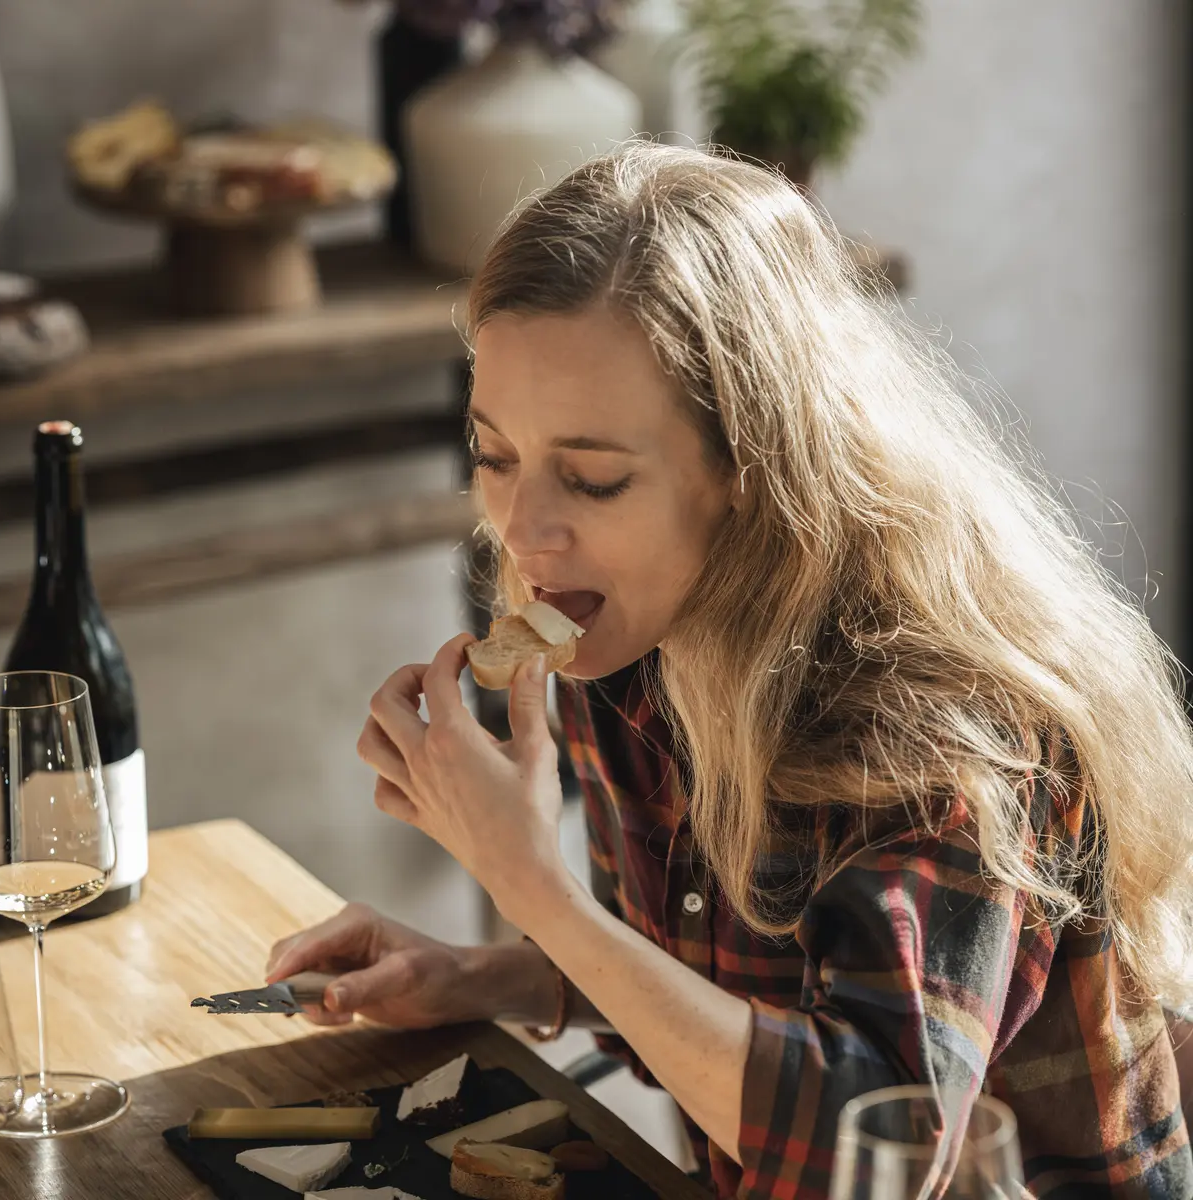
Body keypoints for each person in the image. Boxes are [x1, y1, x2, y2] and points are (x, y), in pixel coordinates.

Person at [266, 143, 1193, 1199]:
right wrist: (481, 977)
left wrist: (536, 888)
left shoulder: (942, 733)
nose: (523, 531)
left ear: (752, 474)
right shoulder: (623, 653)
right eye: (494, 456)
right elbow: (717, 997)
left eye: (593, 478)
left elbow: (870, 1155)